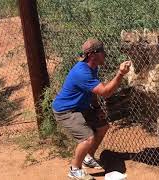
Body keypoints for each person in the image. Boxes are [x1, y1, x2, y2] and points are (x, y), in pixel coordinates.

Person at [52, 38, 131, 180]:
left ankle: (88, 157)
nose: (105, 54)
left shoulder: (92, 67)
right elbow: (105, 92)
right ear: (93, 54)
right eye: (102, 51)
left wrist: (97, 108)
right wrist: (120, 74)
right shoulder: (82, 72)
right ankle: (75, 169)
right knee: (87, 138)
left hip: (80, 107)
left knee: (102, 127)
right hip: (66, 110)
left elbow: (92, 91)